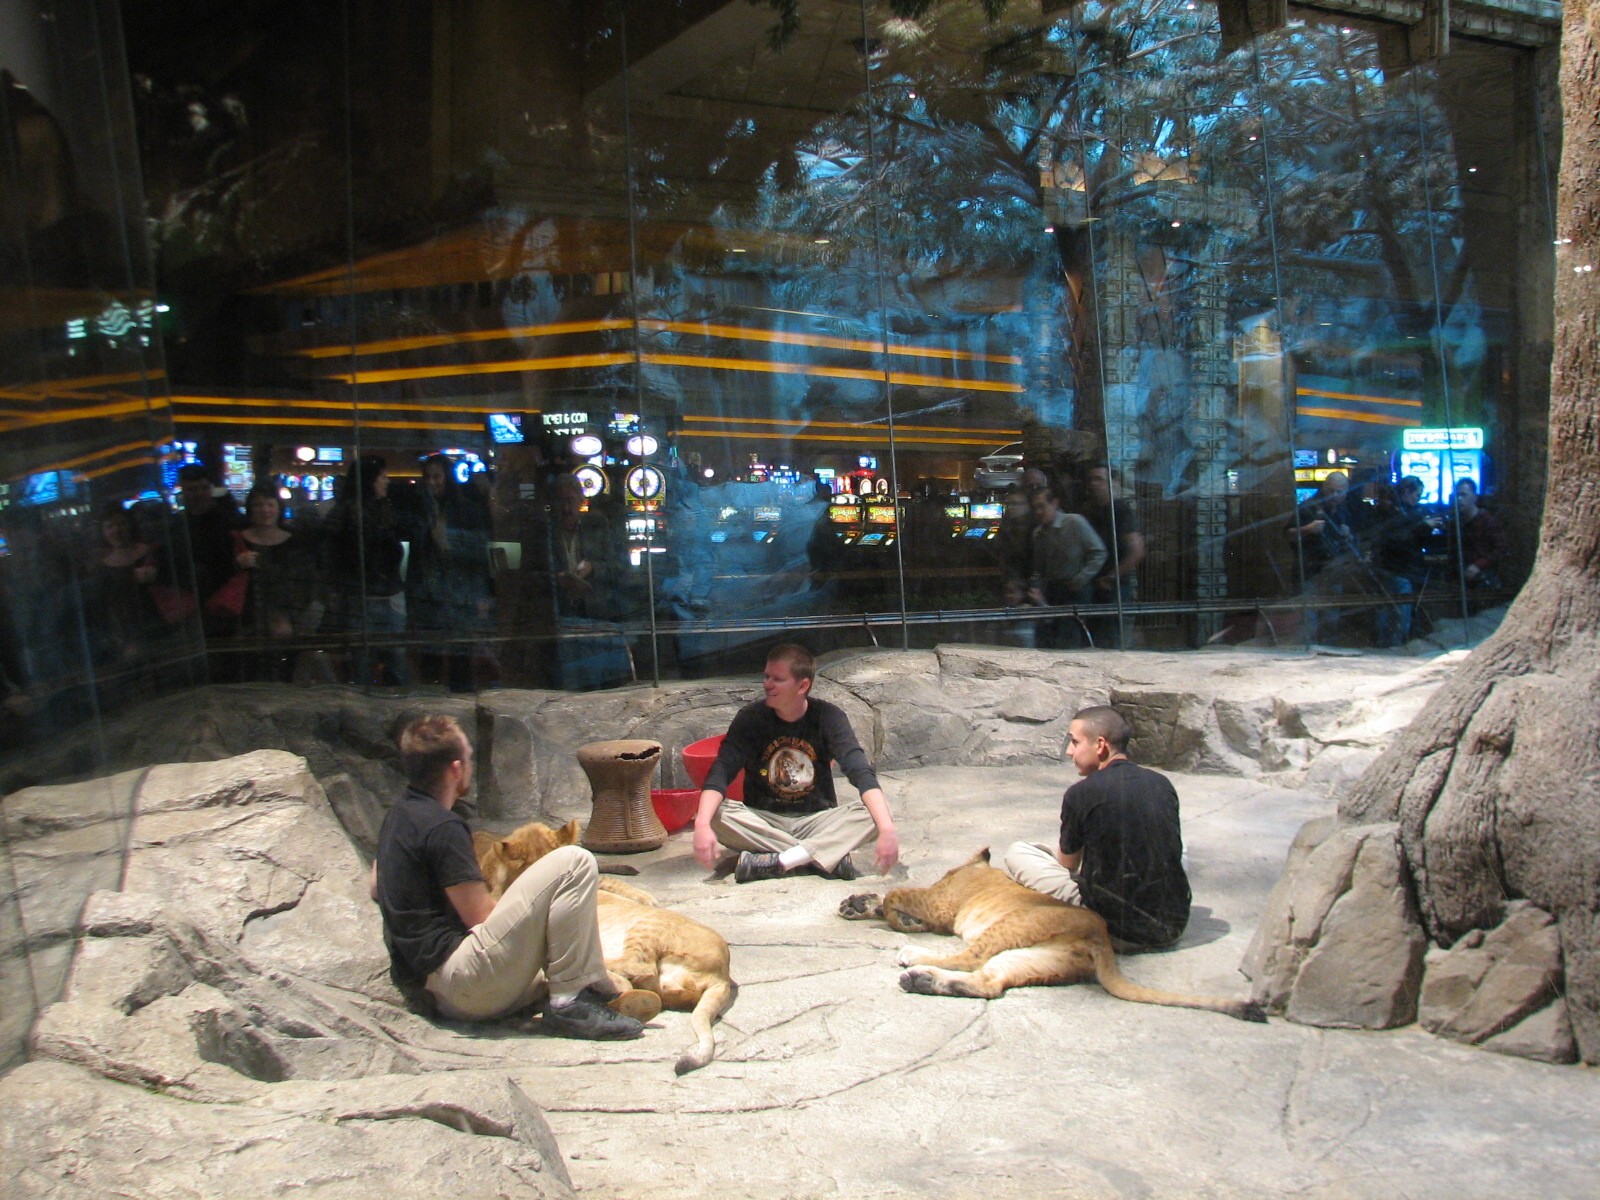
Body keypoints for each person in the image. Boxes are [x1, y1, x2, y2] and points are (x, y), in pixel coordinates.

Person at [370, 714, 649, 1039]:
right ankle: (570, 1003)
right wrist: (536, 919)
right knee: (575, 861)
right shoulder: (443, 827)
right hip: (462, 985)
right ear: (456, 769)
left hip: (426, 988)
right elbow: (480, 917)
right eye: (471, 759)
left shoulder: (399, 814)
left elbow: (376, 884)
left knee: (543, 945)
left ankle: (585, 986)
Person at [692, 643, 899, 884]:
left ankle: (780, 862)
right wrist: (702, 824)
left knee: (875, 814)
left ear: (803, 685)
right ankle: (821, 857)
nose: (767, 685)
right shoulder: (750, 718)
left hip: (817, 820)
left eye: (777, 679)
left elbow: (860, 771)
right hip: (763, 820)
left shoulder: (829, 717)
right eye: (766, 676)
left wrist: (886, 830)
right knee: (711, 813)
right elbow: (722, 770)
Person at [1001, 705, 1191, 949]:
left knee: (1018, 852)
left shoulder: (1081, 793)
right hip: (1173, 926)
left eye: (1074, 742)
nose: (1069, 752)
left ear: (1100, 745)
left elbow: (1068, 866)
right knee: (1180, 850)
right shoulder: (1162, 784)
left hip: (1115, 928)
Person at [325, 456, 410, 686]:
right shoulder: (347, 515)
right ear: (369, 480)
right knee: (370, 661)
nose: (387, 481)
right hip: (366, 596)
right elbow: (335, 559)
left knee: (387, 659)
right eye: (382, 477)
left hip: (381, 594)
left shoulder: (382, 510)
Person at [1028, 487, 1107, 649]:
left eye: (1042, 506)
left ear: (1054, 503)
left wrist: (1081, 578)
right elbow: (1040, 568)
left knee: (1070, 635)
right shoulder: (1038, 534)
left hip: (1076, 588)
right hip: (1052, 589)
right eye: (1035, 508)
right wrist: (1037, 588)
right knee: (1049, 635)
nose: (1038, 512)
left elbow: (1099, 552)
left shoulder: (1075, 523)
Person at [1080, 465, 1146, 648]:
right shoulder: (1091, 510)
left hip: (1113, 588)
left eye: (1099, 479)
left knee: (1109, 642)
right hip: (1095, 586)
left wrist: (1112, 576)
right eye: (1091, 479)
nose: (1094, 484)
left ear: (1113, 482)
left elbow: (1137, 549)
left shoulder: (1120, 510)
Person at [1451, 478, 1509, 591]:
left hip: (1483, 578)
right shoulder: (1456, 522)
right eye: (1457, 495)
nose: (1459, 499)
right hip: (1460, 580)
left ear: (1474, 497)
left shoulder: (1487, 521)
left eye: (1464, 495)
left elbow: (1502, 548)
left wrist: (1478, 565)